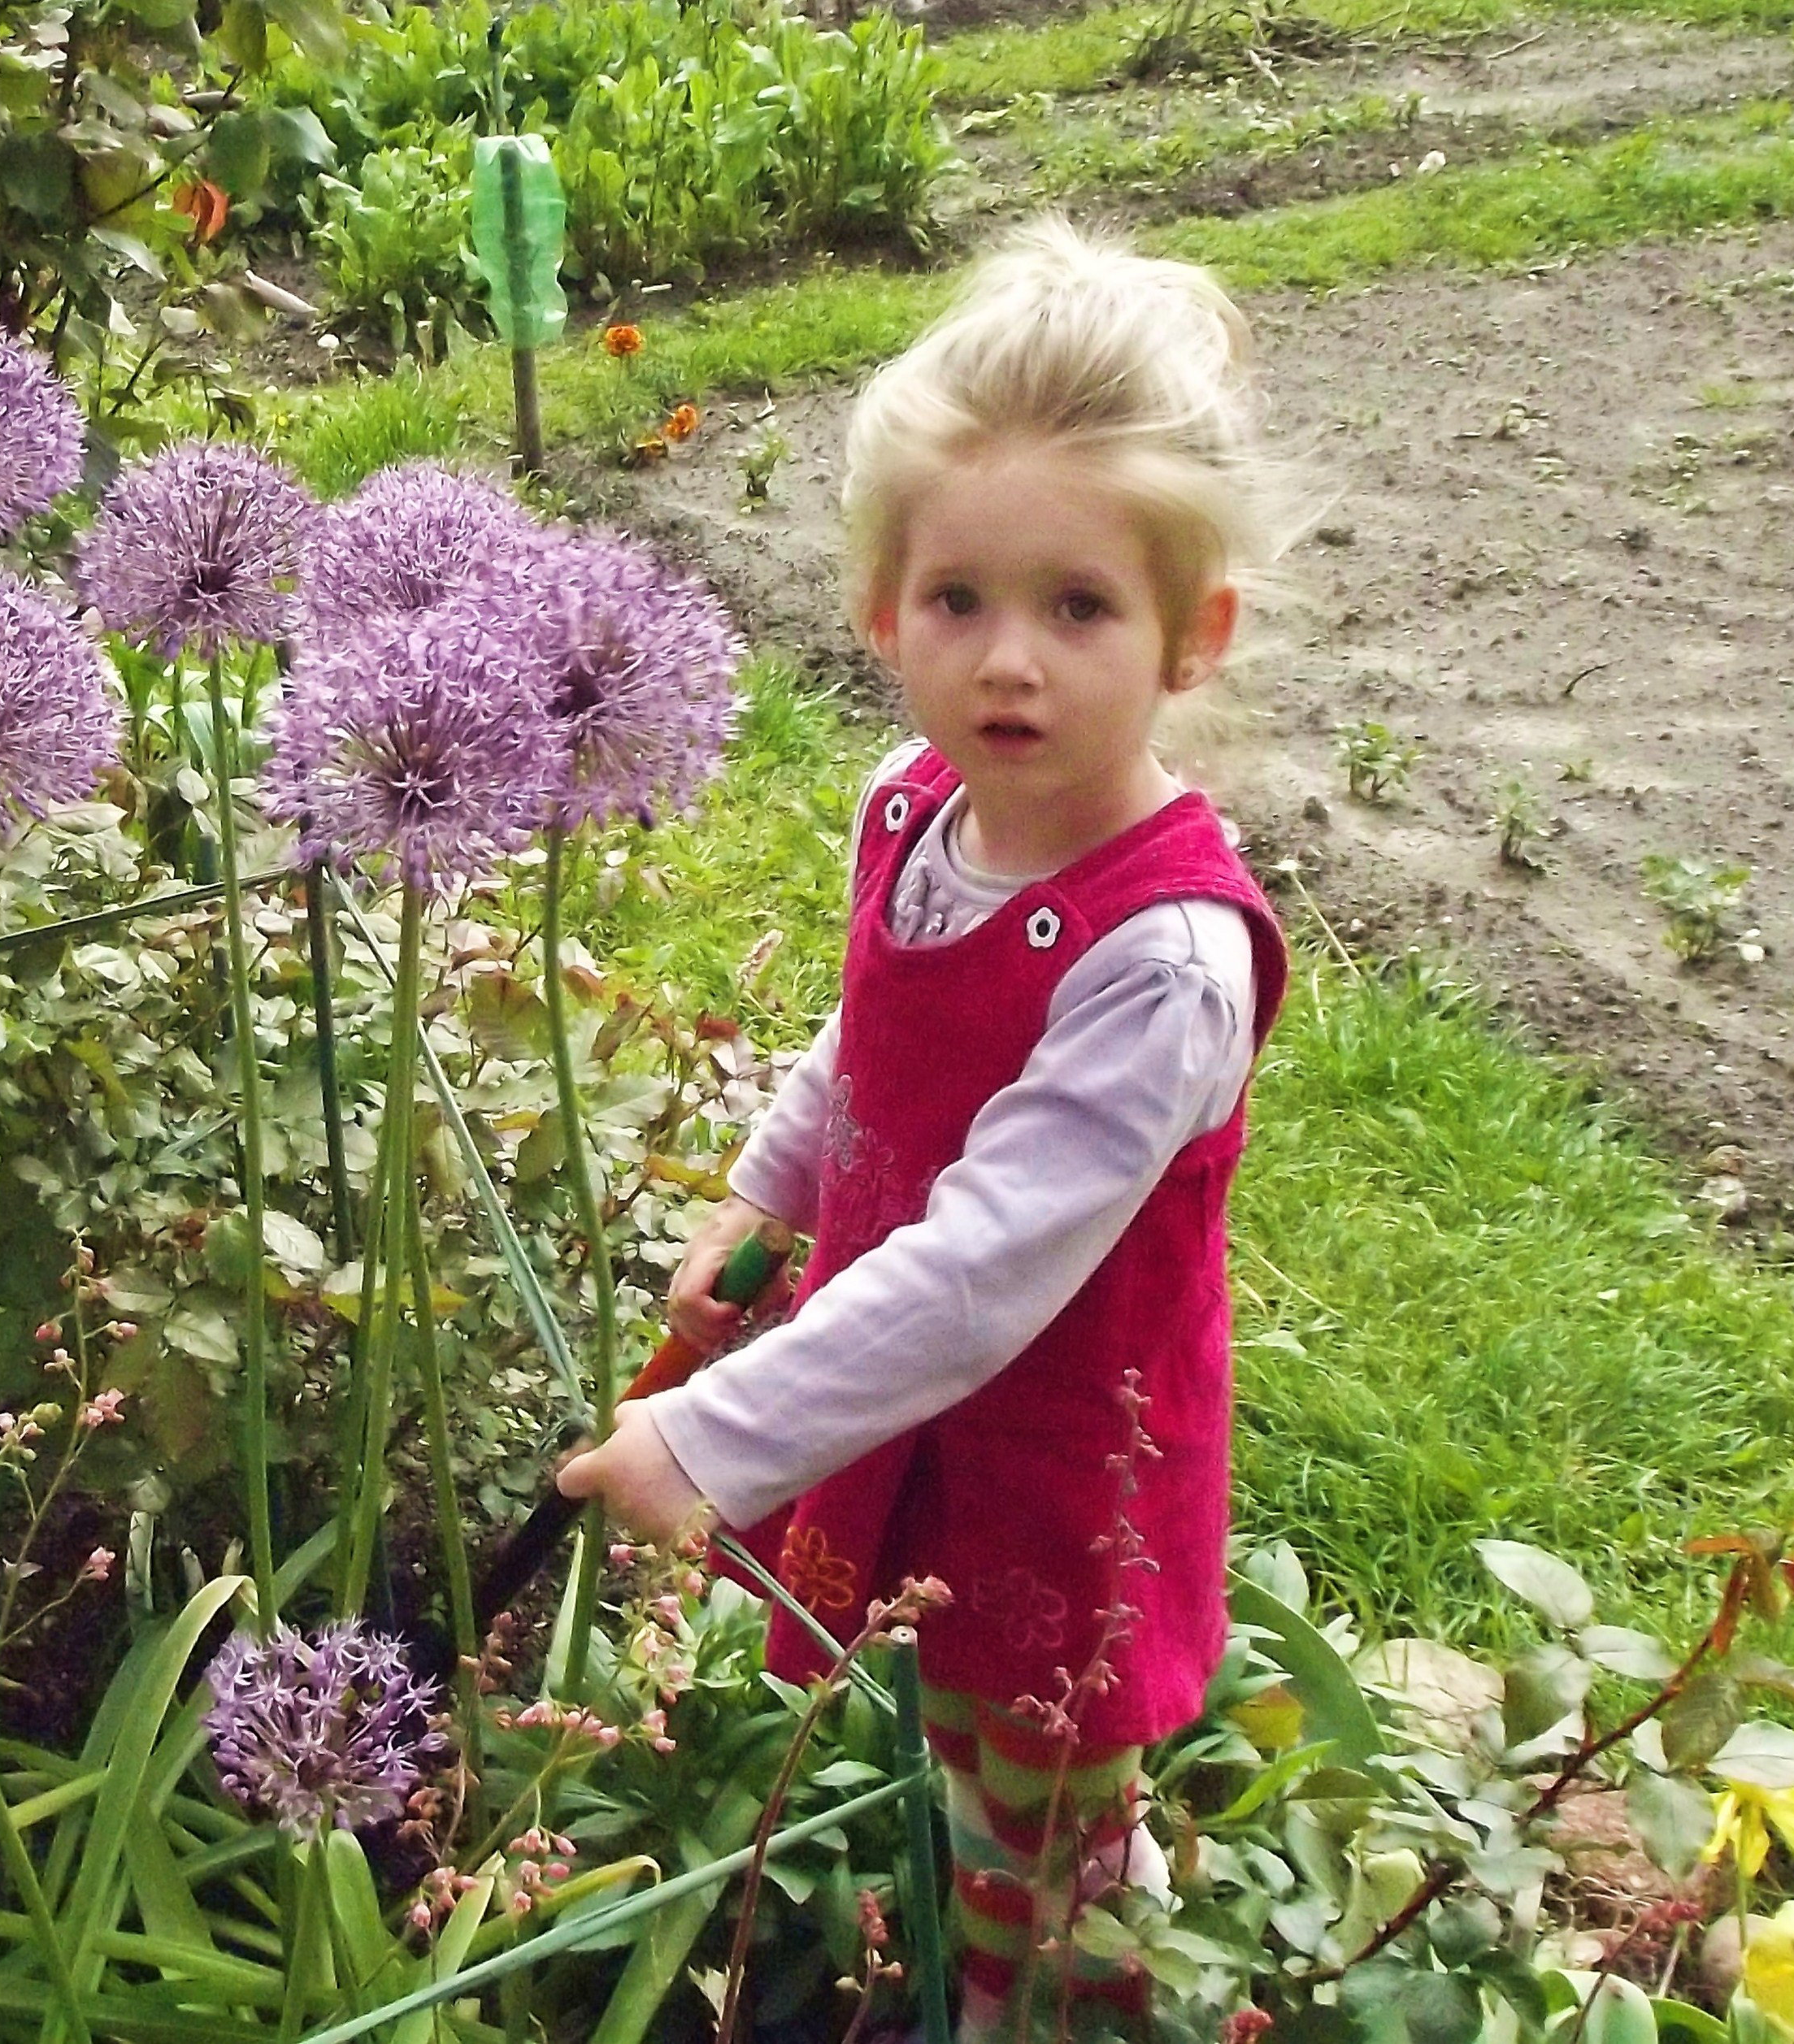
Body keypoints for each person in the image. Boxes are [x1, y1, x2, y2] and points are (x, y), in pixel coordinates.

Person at [557, 215, 1301, 2041]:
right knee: (940, 1743)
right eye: (957, 599)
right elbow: (869, 1040)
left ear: (1189, 634)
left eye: (1077, 607)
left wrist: (714, 1437)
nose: (1007, 665)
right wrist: (764, 1192)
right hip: (910, 1424)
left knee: (1038, 1837)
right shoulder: (917, 808)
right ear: (881, 607)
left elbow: (984, 1275)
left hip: (1053, 1475)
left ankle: (1049, 2014)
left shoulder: (1165, 962)